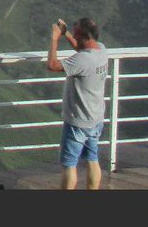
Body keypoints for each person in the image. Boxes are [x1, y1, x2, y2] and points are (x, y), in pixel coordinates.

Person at [47, 16, 108, 190]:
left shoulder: (82, 60)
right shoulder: (102, 50)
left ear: (83, 37)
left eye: (75, 34)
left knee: (69, 165)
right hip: (96, 118)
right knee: (92, 159)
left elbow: (52, 65)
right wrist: (66, 34)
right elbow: (81, 47)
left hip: (78, 121)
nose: (74, 37)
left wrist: (54, 39)